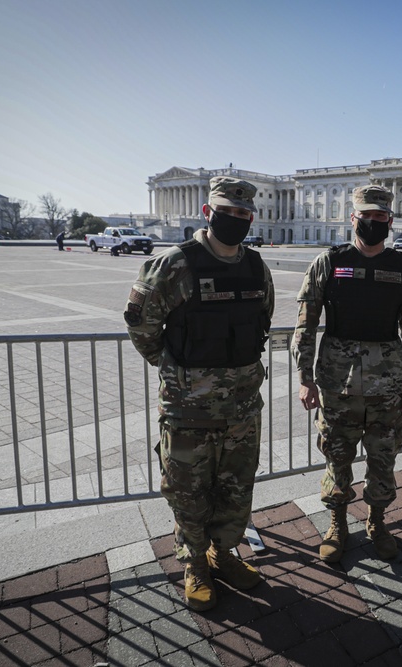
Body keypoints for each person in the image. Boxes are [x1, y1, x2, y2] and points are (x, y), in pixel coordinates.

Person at [124, 176, 274, 611]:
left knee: (236, 488)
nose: (237, 220)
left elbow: (262, 319)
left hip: (243, 408)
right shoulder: (174, 265)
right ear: (208, 213)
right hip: (188, 409)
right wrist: (175, 371)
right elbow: (142, 326)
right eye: (228, 213)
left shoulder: (256, 267)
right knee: (187, 491)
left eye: (244, 214)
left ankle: (223, 553)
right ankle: (194, 563)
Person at [291, 184, 402, 563]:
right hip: (339, 383)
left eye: (380, 217)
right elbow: (306, 323)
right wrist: (305, 377)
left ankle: (378, 520)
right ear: (352, 219)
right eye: (366, 216)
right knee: (337, 456)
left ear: (389, 220)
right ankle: (337, 523)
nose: (373, 222)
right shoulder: (329, 262)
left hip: (387, 385)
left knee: (383, 458)